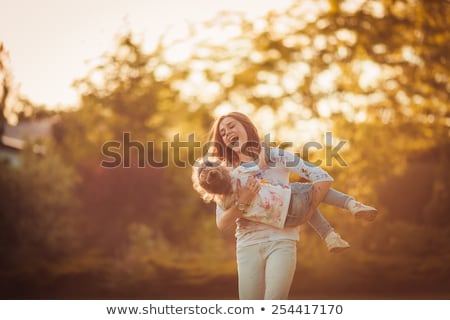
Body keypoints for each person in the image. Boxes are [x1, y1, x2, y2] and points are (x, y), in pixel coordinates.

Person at [197, 112, 376, 300]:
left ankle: (348, 209)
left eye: (232, 126)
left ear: (246, 127)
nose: (227, 133)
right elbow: (222, 223)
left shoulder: (276, 156)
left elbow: (320, 177)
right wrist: (244, 200)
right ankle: (341, 218)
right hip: (247, 245)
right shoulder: (227, 174)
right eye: (223, 133)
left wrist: (309, 212)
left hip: (282, 241)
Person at [192, 158, 377, 253]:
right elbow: (262, 163)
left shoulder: (224, 204)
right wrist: (262, 149)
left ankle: (330, 237)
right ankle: (352, 204)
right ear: (223, 168)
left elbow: (223, 223)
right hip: (288, 198)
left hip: (285, 221)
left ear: (209, 191)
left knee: (308, 205)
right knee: (314, 193)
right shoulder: (239, 172)